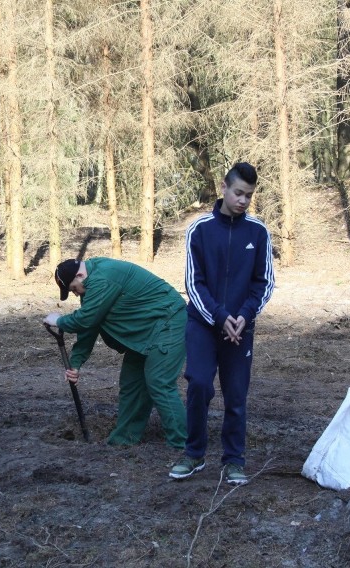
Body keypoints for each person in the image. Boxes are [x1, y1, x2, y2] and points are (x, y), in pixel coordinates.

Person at [169, 162, 275, 485]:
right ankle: (194, 454)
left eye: (249, 196)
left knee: (236, 394)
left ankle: (233, 461)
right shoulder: (198, 230)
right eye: (238, 193)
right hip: (203, 324)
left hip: (241, 328)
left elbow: (264, 282)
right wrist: (219, 316)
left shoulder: (258, 232)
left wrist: (244, 315)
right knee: (199, 384)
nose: (243, 201)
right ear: (224, 188)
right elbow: (193, 282)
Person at [42, 258, 187, 448]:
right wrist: (75, 363)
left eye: (73, 289)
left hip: (169, 323)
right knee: (131, 383)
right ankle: (124, 440)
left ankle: (183, 445)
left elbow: (85, 319)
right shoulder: (91, 285)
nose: (75, 294)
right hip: (145, 332)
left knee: (159, 381)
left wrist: (59, 321)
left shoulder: (103, 278)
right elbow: (90, 326)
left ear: (80, 275)